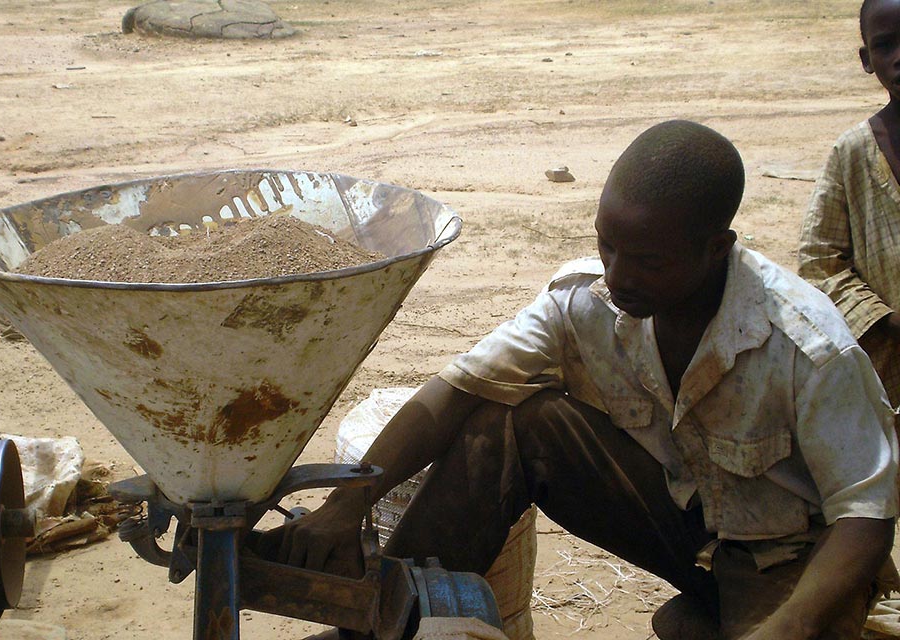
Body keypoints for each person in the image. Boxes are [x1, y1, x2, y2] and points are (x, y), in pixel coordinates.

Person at [261, 120, 899, 640]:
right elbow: (455, 389)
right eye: (608, 247)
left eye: (648, 260)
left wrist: (791, 627)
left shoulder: (805, 344)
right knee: (512, 417)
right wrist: (345, 506)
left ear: (717, 247)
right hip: (685, 524)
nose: (619, 275)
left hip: (787, 557)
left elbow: (865, 517)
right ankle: (385, 626)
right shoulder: (586, 303)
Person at [799, 0, 900, 428]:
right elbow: (820, 264)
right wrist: (889, 320)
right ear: (866, 60)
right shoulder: (853, 154)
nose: (899, 57)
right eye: (885, 45)